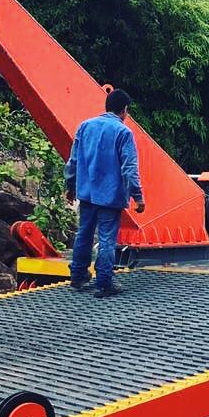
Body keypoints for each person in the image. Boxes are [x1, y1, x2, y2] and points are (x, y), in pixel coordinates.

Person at [65, 88, 145, 297]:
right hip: (110, 196)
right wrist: (137, 196)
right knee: (107, 238)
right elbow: (129, 168)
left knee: (84, 233)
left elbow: (73, 161)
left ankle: (78, 276)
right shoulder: (123, 132)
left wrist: (70, 187)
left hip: (87, 193)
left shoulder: (85, 127)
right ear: (124, 110)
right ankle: (104, 283)